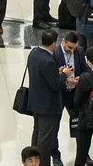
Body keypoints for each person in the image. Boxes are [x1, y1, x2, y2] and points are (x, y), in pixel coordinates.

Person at [26, 29, 67, 159]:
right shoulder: (48, 61)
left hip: (36, 103)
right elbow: (55, 85)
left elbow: (42, 75)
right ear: (54, 44)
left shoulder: (34, 53)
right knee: (45, 142)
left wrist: (57, 71)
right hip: (48, 107)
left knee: (37, 135)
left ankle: (32, 161)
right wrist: (64, 75)